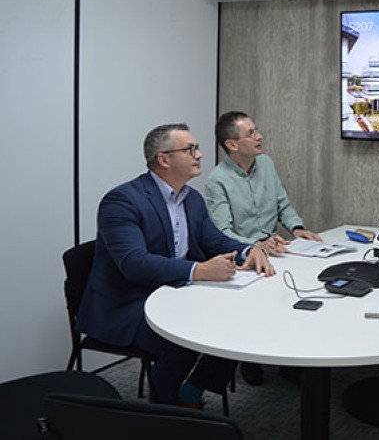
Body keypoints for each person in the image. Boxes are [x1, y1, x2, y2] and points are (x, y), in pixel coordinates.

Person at [77, 123, 274, 407]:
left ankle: (192, 390)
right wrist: (199, 271)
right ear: (164, 159)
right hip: (127, 302)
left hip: (175, 290)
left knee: (239, 320)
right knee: (186, 335)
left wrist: (249, 250)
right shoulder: (122, 200)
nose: (200, 155)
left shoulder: (191, 198)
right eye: (190, 149)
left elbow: (215, 240)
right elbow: (134, 264)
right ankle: (166, 405)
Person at [205, 111, 321, 385]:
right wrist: (255, 245)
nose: (259, 137)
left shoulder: (265, 163)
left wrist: (297, 228)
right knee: (261, 300)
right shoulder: (217, 180)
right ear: (231, 144)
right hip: (242, 257)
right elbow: (222, 231)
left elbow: (282, 204)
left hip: (276, 248)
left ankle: (289, 360)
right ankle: (251, 358)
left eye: (257, 131)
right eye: (251, 133)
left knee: (299, 293)